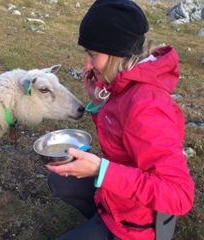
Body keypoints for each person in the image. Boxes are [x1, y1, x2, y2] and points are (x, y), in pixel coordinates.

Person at [46, 0, 195, 239]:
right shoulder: (124, 85)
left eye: (93, 55)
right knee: (60, 179)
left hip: (137, 226)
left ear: (117, 53)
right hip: (117, 199)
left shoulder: (147, 105)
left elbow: (178, 195)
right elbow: (121, 140)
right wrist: (99, 102)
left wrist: (100, 170)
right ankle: (103, 218)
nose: (87, 65)